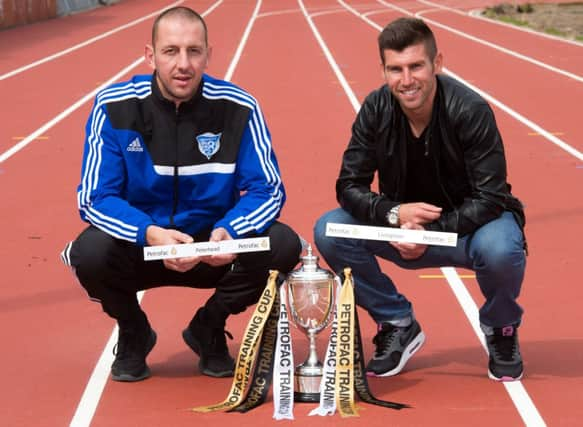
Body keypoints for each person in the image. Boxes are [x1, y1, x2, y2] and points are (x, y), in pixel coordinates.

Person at [60, 6, 301, 382]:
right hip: (144, 244)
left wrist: (231, 230)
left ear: (208, 54)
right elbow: (94, 198)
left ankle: (209, 325)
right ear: (150, 55)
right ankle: (133, 329)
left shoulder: (239, 107)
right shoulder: (114, 107)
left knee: (283, 245)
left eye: (194, 51)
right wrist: (148, 232)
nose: (183, 64)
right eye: (171, 51)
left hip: (212, 246)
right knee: (89, 252)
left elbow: (266, 190)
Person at [314, 17, 526, 382]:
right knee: (329, 231)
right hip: (401, 227)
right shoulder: (375, 109)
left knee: (503, 248)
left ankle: (501, 328)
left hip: (468, 228)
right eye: (395, 69)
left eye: (416, 66)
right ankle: (396, 321)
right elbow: (349, 185)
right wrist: (393, 213)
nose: (407, 80)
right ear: (383, 70)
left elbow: (491, 197)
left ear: (437, 64)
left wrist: (428, 231)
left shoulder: (470, 109)